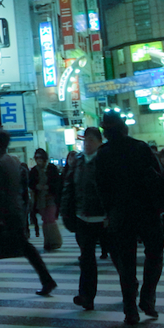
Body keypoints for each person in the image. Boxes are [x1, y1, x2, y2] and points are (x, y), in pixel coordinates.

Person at [95, 112, 164, 325]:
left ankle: (130, 310)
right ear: (124, 127)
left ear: (105, 131)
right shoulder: (140, 147)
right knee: (155, 252)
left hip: (120, 213)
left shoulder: (104, 153)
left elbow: (101, 187)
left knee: (126, 263)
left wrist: (109, 212)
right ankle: (147, 297)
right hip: (146, 210)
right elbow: (157, 178)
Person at [0, 129, 57, 297]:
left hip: (3, 213)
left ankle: (47, 280)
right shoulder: (12, 161)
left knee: (23, 248)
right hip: (14, 211)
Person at [60, 127, 106, 310]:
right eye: (85, 140)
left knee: (119, 259)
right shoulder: (78, 161)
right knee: (86, 259)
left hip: (104, 219)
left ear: (99, 142)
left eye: (91, 140)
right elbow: (68, 188)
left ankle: (130, 294)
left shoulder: (105, 160)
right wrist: (66, 212)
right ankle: (86, 296)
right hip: (83, 217)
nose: (87, 144)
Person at [29, 148, 62, 250]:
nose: (38, 160)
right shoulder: (34, 171)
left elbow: (57, 183)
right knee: (45, 220)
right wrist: (37, 186)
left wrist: (48, 187)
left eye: (40, 158)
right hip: (40, 198)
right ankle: (47, 242)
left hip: (51, 196)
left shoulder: (52, 168)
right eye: (36, 158)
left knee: (51, 218)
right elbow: (30, 183)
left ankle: (56, 241)